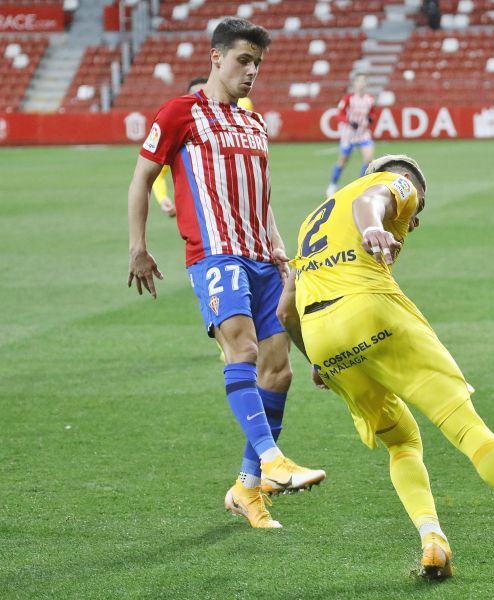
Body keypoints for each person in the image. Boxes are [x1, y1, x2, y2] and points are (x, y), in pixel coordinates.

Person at [276, 154, 494, 583]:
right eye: (417, 207)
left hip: (323, 339)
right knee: (466, 428)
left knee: (402, 441)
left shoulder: (313, 219)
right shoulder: (394, 182)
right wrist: (373, 224)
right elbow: (373, 198)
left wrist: (318, 360)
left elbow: (285, 312)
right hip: (371, 309)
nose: (414, 219)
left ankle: (433, 541)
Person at [126, 18, 325, 529]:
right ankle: (273, 462)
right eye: (243, 59)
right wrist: (138, 247)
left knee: (278, 371)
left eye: (257, 62)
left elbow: (262, 198)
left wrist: (281, 253)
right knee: (244, 351)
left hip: (262, 257)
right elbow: (142, 177)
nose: (251, 70)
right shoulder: (180, 114)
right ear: (216, 58)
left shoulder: (253, 123)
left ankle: (246, 488)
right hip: (216, 255)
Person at [152, 77, 255, 218]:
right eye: (195, 96)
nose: (201, 101)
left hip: (239, 206)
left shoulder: (233, 119)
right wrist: (163, 198)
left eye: (205, 95)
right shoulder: (178, 132)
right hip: (198, 212)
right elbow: (157, 171)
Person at [325, 73, 375, 198]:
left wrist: (371, 118)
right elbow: (339, 114)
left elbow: (372, 113)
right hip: (349, 135)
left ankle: (360, 185)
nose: (361, 84)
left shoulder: (370, 99)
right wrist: (349, 122)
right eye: (359, 81)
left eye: (363, 81)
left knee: (369, 159)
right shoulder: (348, 98)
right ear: (354, 84)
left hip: (363, 134)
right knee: (343, 161)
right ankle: (332, 184)